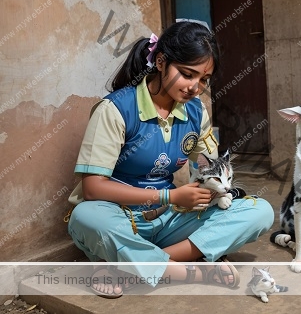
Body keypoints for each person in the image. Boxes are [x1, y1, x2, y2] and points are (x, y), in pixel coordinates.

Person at [66, 21, 274, 298]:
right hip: (120, 218)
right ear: (161, 61)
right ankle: (192, 271)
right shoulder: (115, 109)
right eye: (187, 74)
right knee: (85, 217)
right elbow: (92, 189)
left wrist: (210, 191)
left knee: (259, 211)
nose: (195, 87)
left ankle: (134, 266)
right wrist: (172, 197)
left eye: (204, 80)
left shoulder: (195, 112)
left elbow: (210, 164)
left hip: (168, 220)